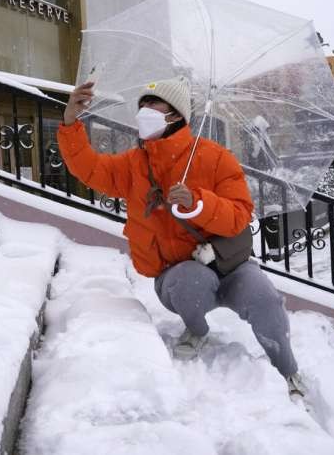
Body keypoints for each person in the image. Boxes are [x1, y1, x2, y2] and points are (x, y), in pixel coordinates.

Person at [57, 76, 304, 399]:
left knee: (265, 299)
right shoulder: (133, 164)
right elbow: (89, 169)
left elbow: (239, 215)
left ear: (175, 114)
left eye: (153, 104)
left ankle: (288, 370)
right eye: (142, 104)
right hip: (177, 273)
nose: (144, 110)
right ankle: (197, 329)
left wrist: (197, 203)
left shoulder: (216, 158)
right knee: (191, 280)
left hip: (228, 263)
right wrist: (70, 122)